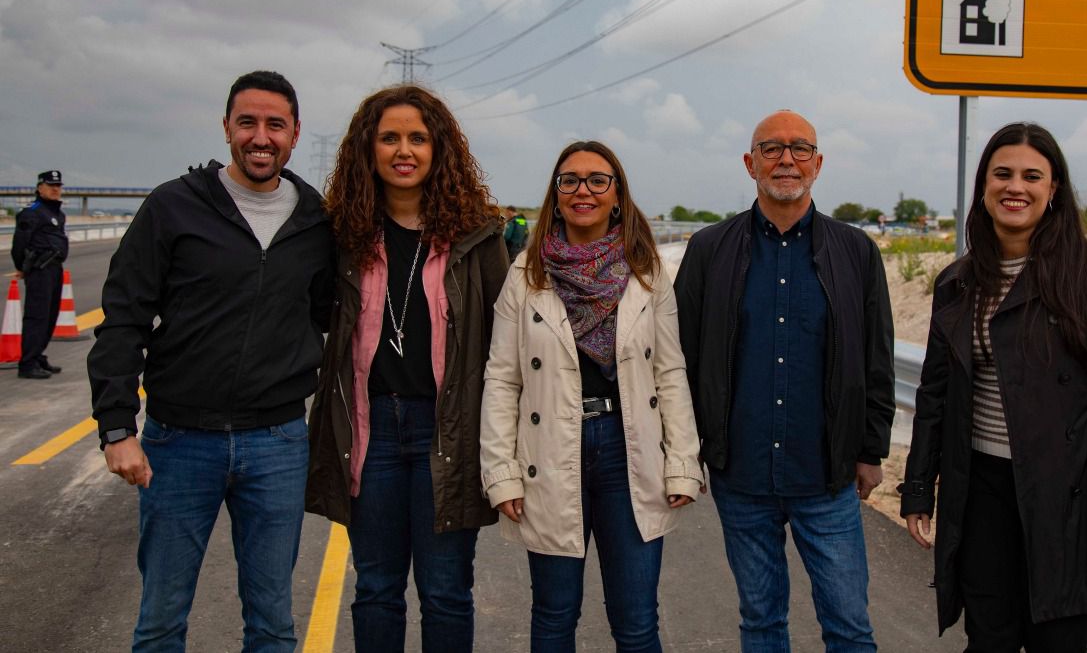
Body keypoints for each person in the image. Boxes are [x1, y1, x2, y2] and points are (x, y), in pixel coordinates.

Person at [88, 70, 333, 652]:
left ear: (295, 134)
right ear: (226, 127)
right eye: (247, 122)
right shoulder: (175, 205)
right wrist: (117, 427)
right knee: (161, 621)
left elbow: (330, 316)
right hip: (179, 442)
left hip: (277, 443)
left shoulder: (317, 222)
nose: (261, 137)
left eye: (275, 124)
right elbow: (123, 318)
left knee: (273, 624)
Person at [899, 122, 1087, 651]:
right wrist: (919, 487)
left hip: (1068, 494)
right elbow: (936, 396)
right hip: (981, 491)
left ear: (1053, 189)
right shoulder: (957, 282)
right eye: (1003, 174)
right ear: (984, 186)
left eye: (1031, 175)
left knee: (1058, 638)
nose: (1015, 186)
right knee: (989, 638)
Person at [674, 110, 895, 652]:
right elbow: (679, 358)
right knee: (761, 621)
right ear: (750, 164)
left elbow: (876, 359)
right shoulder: (708, 249)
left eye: (800, 149)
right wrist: (685, 453)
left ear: (818, 164)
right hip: (741, 474)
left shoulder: (856, 251)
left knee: (848, 624)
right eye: (771, 149)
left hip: (827, 474)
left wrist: (870, 449)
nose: (786, 159)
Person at [306, 85, 508, 652]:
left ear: (438, 149)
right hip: (369, 435)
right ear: (366, 149)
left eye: (418, 138)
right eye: (389, 137)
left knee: (446, 591)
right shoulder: (342, 235)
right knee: (376, 589)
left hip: (447, 432)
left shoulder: (478, 238)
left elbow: (507, 342)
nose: (404, 150)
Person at [480, 140, 702, 653]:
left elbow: (670, 372)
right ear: (555, 196)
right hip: (550, 452)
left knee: (637, 621)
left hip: (630, 449)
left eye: (597, 180)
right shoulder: (525, 274)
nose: (584, 190)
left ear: (617, 194)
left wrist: (683, 462)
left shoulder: (647, 274)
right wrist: (501, 471)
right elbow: (502, 378)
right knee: (554, 617)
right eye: (570, 181)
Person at [10, 169, 69, 379]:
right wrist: (21, 267)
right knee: (37, 316)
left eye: (58, 186)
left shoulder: (57, 214)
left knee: (50, 316)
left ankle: (37, 355)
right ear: (39, 187)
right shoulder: (32, 212)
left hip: (55, 269)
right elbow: (19, 243)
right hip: (40, 269)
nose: (55, 190)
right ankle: (27, 363)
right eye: (51, 186)